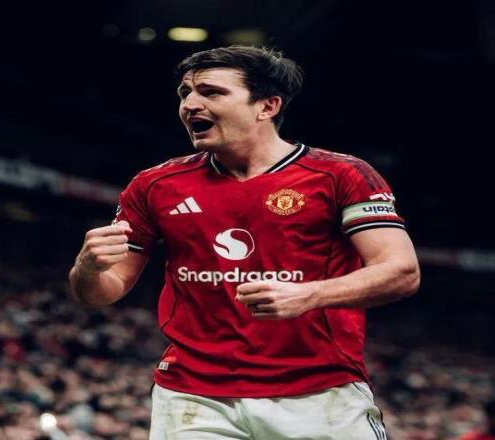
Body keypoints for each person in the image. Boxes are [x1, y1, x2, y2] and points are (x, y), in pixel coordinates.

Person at [69, 45, 420, 440]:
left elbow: (401, 272)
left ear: (267, 106)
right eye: (185, 93)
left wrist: (309, 295)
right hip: (193, 397)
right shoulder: (154, 185)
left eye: (211, 92)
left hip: (320, 392)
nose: (190, 104)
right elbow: (102, 292)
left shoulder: (342, 175)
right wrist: (87, 268)